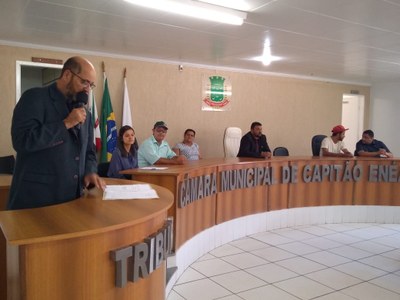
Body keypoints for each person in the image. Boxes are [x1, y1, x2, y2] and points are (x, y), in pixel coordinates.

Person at [7, 56, 105, 210]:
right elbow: (22, 141)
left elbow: (89, 152)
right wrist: (66, 124)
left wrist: (90, 171)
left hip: (74, 201)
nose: (87, 89)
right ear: (67, 75)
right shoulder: (34, 98)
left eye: (91, 85)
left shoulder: (86, 114)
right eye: (84, 82)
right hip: (35, 202)